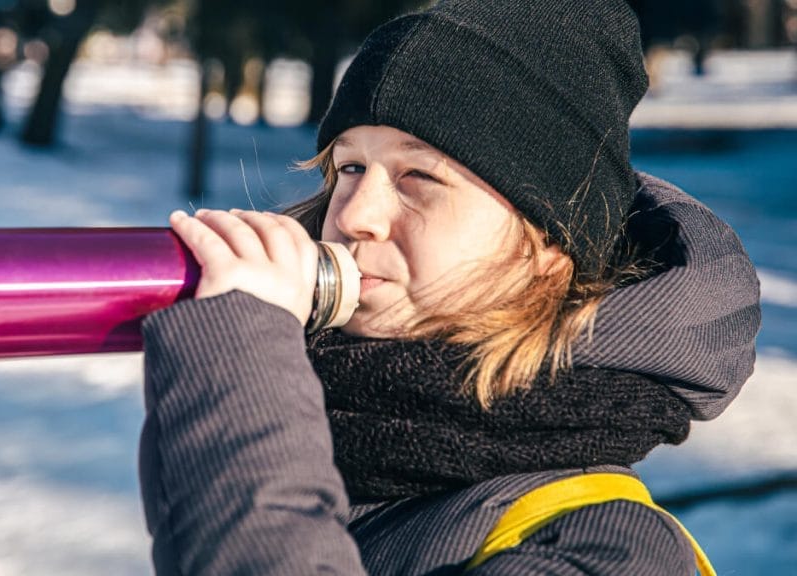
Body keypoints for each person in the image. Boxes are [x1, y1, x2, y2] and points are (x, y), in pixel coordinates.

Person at [137, 0, 761, 574]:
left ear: (549, 244)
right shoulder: (321, 441)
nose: (354, 214)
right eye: (350, 166)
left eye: (419, 176)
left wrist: (246, 383)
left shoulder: (610, 549)